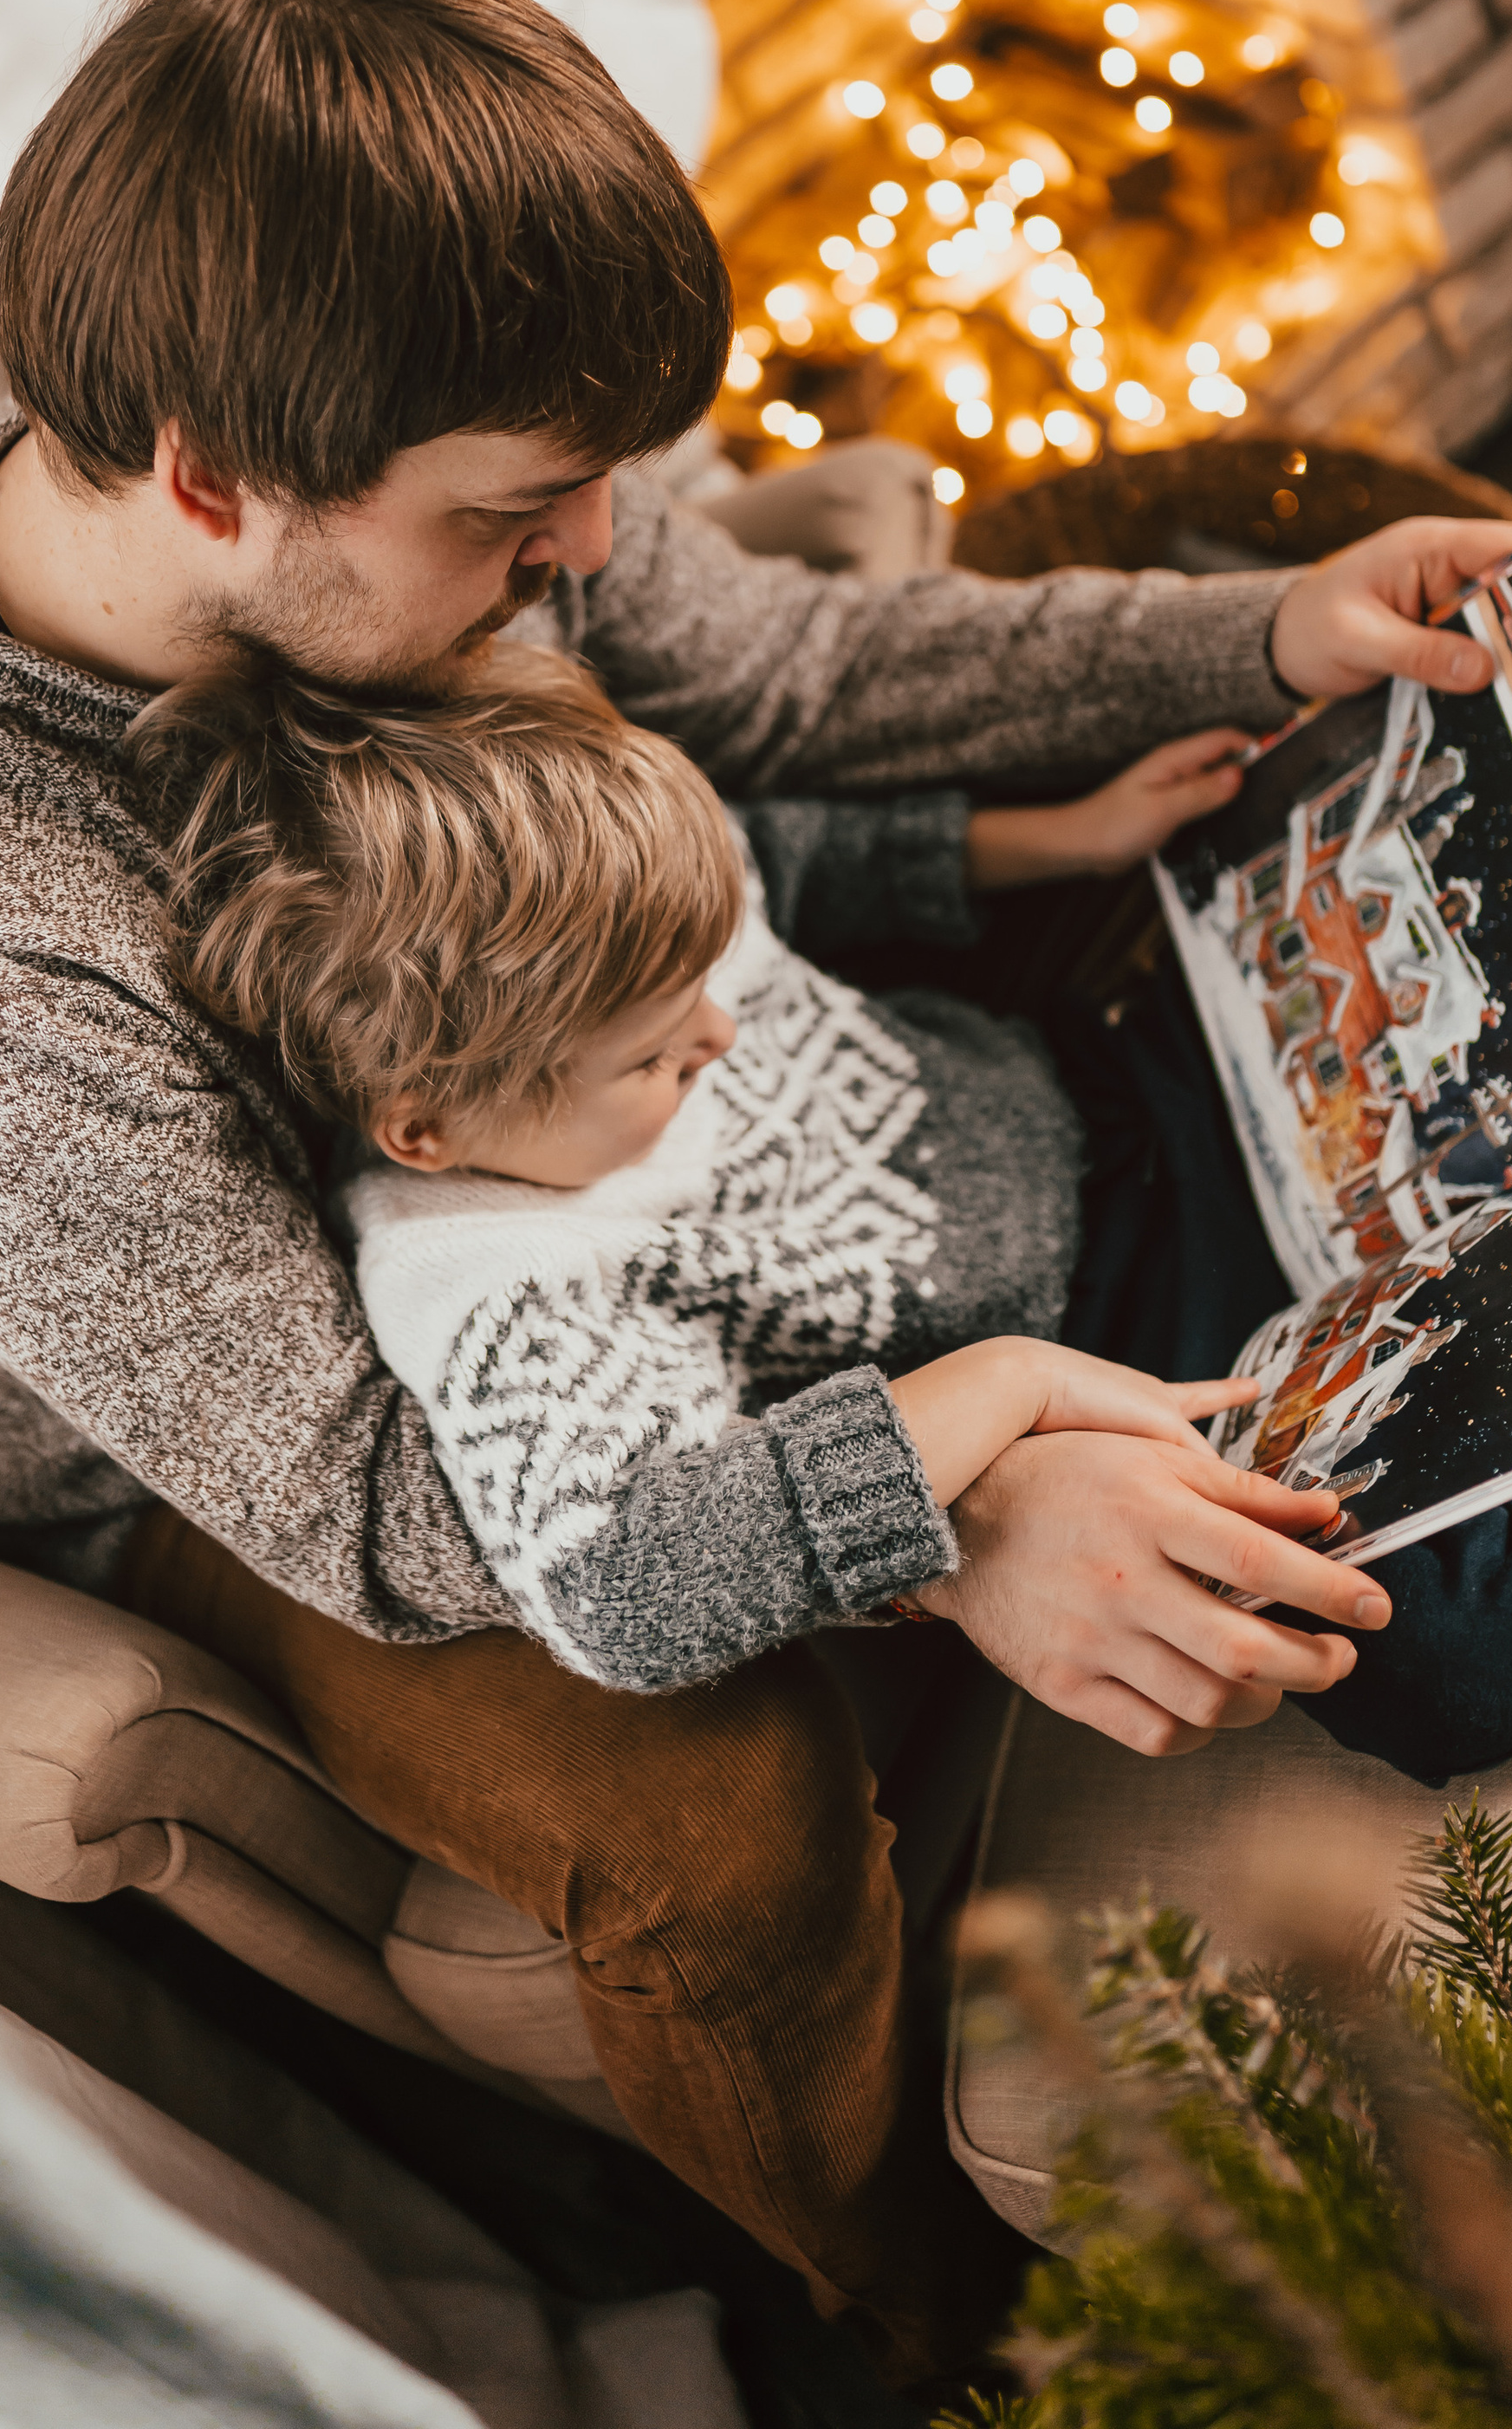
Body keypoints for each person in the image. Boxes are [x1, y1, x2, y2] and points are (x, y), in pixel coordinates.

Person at [0, 0, 1512, 2373]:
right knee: (709, 1806)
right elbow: (370, 1493)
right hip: (250, 1418)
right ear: (213, 487)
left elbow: (780, 675)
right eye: (517, 515)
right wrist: (944, 1494)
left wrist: (1263, 637)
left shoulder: (407, 466)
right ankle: (916, 2319)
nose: (581, 557)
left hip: (573, 1121)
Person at [133, 646, 1326, 1693]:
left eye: (707, 980)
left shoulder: (627, 890)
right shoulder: (484, 1270)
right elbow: (621, 1594)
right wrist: (1006, 1385)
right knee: (1447, 1614)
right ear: (427, 1130)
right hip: (1106, 1339)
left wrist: (1069, 838)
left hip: (1101, 1085)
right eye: (655, 1055)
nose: (721, 1033)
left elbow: (791, 863)